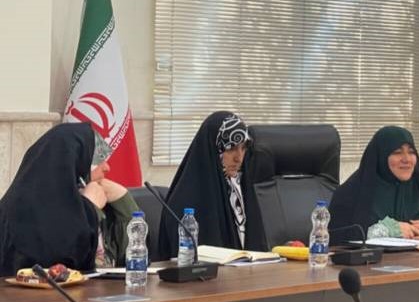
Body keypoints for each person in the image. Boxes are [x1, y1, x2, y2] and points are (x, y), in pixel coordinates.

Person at [0, 123, 138, 276]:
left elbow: (132, 258)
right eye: (97, 160)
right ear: (74, 164)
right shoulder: (24, 212)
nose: (107, 167)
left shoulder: (92, 200)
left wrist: (123, 202)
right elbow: (62, 264)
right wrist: (89, 210)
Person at [329, 126, 419, 242]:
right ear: (381, 156)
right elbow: (335, 235)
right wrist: (383, 231)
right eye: (397, 152)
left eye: (411, 152)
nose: (406, 159)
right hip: (372, 261)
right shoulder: (352, 192)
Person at [158, 111, 258, 258]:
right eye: (231, 149)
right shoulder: (185, 202)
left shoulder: (240, 189)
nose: (239, 158)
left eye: (243, 148)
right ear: (213, 149)